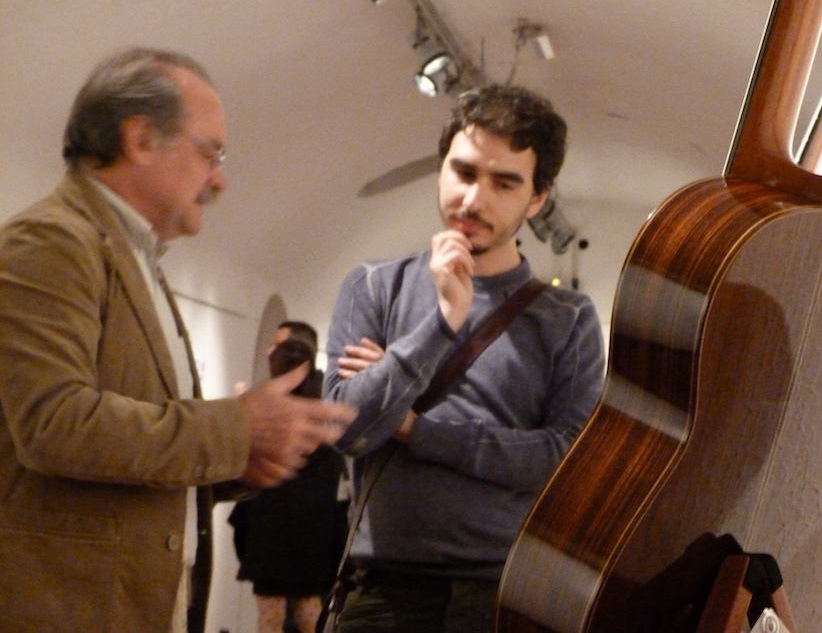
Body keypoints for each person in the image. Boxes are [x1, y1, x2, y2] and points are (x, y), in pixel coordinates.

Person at [0, 47, 357, 633]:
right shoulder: (52, 242)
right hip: (71, 607)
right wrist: (235, 429)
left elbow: (131, 449)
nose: (219, 179)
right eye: (210, 154)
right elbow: (54, 424)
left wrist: (238, 463)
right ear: (140, 139)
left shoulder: (137, 259)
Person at [323, 84, 606, 632]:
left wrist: (414, 429)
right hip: (383, 594)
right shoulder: (375, 286)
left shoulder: (567, 318)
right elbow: (347, 429)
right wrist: (443, 322)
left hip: (507, 594)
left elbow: (565, 459)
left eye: (505, 183)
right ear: (441, 170)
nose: (475, 200)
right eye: (464, 172)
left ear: (538, 198)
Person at [230, 321, 349, 633]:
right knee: (309, 611)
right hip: (312, 533)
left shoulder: (273, 411)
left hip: (270, 530)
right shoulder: (323, 408)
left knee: (271, 617)